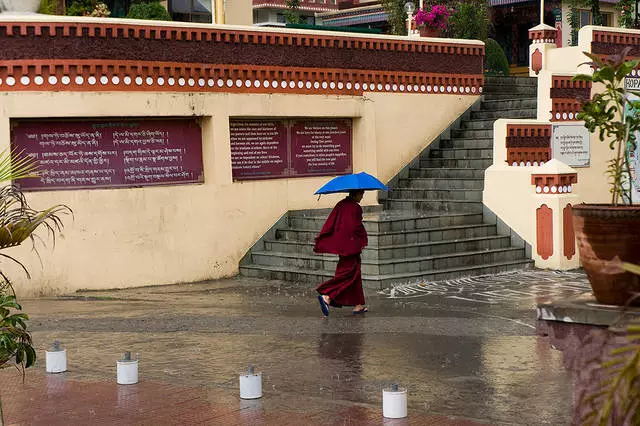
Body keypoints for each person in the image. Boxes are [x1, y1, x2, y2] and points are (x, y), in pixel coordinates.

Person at [313, 189, 368, 316]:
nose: (362, 197)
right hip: (351, 247)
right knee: (348, 275)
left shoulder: (341, 204)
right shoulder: (356, 208)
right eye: (362, 194)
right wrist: (362, 238)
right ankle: (327, 295)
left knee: (354, 274)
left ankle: (358, 305)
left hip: (343, 247)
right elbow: (356, 227)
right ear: (357, 194)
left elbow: (332, 223)